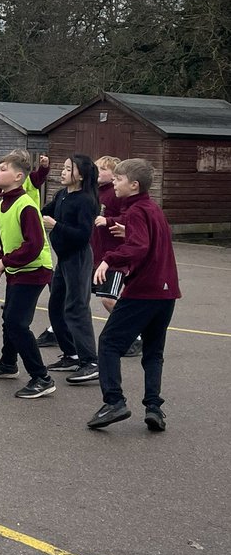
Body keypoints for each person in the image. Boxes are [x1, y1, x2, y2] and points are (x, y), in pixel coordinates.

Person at [87, 159, 180, 431]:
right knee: (153, 351)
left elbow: (139, 247)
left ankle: (114, 401)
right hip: (167, 292)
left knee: (108, 343)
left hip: (144, 291)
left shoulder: (138, 210)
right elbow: (151, 241)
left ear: (134, 184)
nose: (113, 183)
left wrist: (108, 259)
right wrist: (129, 232)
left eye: (118, 179)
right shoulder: (152, 209)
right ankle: (154, 408)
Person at [0, 153, 55, 399]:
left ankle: (41, 377)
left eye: (3, 169)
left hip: (35, 270)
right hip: (18, 269)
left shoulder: (26, 205)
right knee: (9, 318)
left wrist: (5, 262)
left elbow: (34, 245)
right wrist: (3, 264)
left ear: (18, 177)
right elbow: (9, 239)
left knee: (17, 323)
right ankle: (8, 363)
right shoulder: (3, 203)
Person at [41, 154, 99, 383]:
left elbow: (83, 235)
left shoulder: (86, 200)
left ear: (81, 175)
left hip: (78, 258)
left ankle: (90, 361)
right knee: (56, 307)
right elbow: (45, 210)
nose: (63, 172)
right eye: (63, 168)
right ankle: (71, 354)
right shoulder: (62, 195)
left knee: (76, 308)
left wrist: (56, 226)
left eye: (68, 169)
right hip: (63, 258)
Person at [92, 155, 143, 358]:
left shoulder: (116, 195)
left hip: (114, 256)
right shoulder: (96, 193)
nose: (98, 172)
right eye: (96, 168)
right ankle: (57, 332)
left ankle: (135, 336)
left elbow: (126, 218)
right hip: (96, 255)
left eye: (103, 169)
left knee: (108, 299)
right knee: (72, 297)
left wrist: (108, 221)